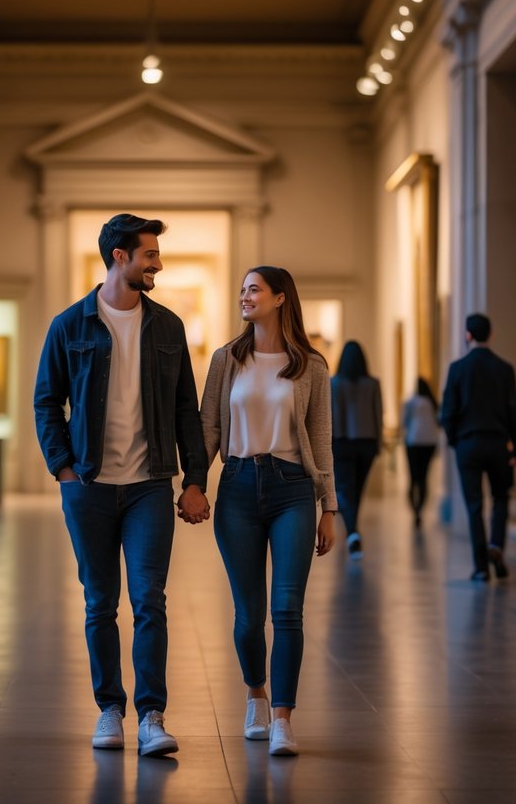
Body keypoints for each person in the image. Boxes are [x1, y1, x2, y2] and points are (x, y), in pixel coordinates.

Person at [34, 213, 209, 758]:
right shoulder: (70, 326)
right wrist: (64, 469)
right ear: (120, 257)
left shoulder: (168, 327)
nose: (157, 262)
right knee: (99, 603)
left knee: (149, 600)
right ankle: (110, 710)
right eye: (149, 254)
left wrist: (196, 479)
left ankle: (152, 715)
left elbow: (187, 408)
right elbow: (46, 402)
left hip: (150, 487)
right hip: (87, 485)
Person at [200, 265, 336, 757]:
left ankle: (282, 717)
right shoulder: (226, 359)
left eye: (253, 289)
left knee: (287, 610)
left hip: (293, 490)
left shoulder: (311, 366)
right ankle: (255, 693)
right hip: (237, 487)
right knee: (248, 614)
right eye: (241, 290)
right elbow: (207, 431)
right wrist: (194, 483)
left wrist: (330, 508)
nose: (244, 296)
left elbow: (321, 442)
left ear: (281, 298)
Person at [440, 313, 516, 582]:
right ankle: (496, 545)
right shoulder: (505, 368)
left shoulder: (457, 368)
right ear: (491, 335)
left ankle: (480, 567)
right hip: (499, 443)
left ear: (468, 336)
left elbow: (447, 413)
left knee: (474, 506)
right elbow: (514, 412)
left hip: (468, 444)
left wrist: (455, 441)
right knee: (501, 498)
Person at [330, 340, 382, 558]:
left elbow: (328, 417)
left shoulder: (334, 383)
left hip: (341, 442)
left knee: (344, 489)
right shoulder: (372, 384)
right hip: (366, 442)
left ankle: (352, 531)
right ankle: (353, 531)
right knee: (357, 489)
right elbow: (378, 414)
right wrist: (378, 443)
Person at [402, 377, 440, 528]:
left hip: (413, 442)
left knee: (413, 478)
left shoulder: (411, 402)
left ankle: (414, 510)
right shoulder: (433, 403)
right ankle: (420, 510)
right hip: (430, 442)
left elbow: (405, 422)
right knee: (424, 478)